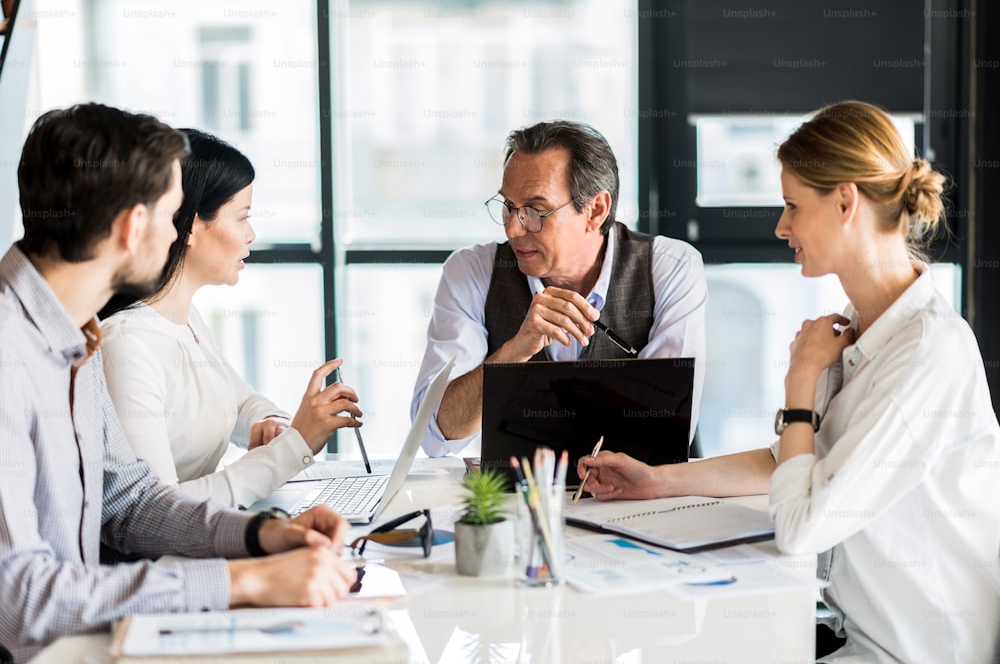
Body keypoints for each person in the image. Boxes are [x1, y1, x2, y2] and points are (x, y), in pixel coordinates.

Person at [578, 101, 1000, 662]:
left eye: (792, 205)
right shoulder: (856, 328)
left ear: (845, 202)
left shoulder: (927, 354)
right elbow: (792, 462)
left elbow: (802, 526)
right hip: (857, 634)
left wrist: (800, 383)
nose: (781, 227)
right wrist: (656, 481)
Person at [0, 104, 357, 663]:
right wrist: (246, 584)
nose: (177, 234)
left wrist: (259, 537)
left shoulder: (76, 333)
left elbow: (131, 503)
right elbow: (22, 602)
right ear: (131, 228)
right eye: (171, 217)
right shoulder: (8, 356)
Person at [99, 129, 362, 509]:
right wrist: (295, 446)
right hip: (173, 560)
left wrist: (273, 422)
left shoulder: (185, 316)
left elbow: (237, 403)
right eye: (242, 218)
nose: (251, 234)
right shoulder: (126, 346)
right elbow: (158, 512)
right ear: (189, 225)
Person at [411, 120, 707, 457]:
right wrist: (515, 351)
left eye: (535, 211)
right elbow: (437, 434)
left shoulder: (671, 268)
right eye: (508, 206)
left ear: (595, 210)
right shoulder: (470, 272)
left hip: (639, 501)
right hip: (518, 502)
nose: (512, 228)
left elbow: (663, 430)